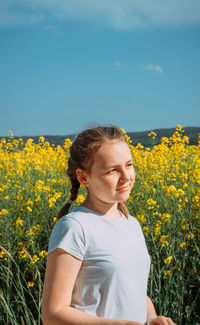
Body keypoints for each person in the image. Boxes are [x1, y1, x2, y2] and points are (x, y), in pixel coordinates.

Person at [42, 126, 177, 325]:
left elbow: (132, 292)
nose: (126, 176)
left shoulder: (132, 224)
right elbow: (53, 314)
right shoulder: (74, 227)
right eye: (113, 170)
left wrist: (152, 318)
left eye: (129, 165)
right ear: (83, 177)